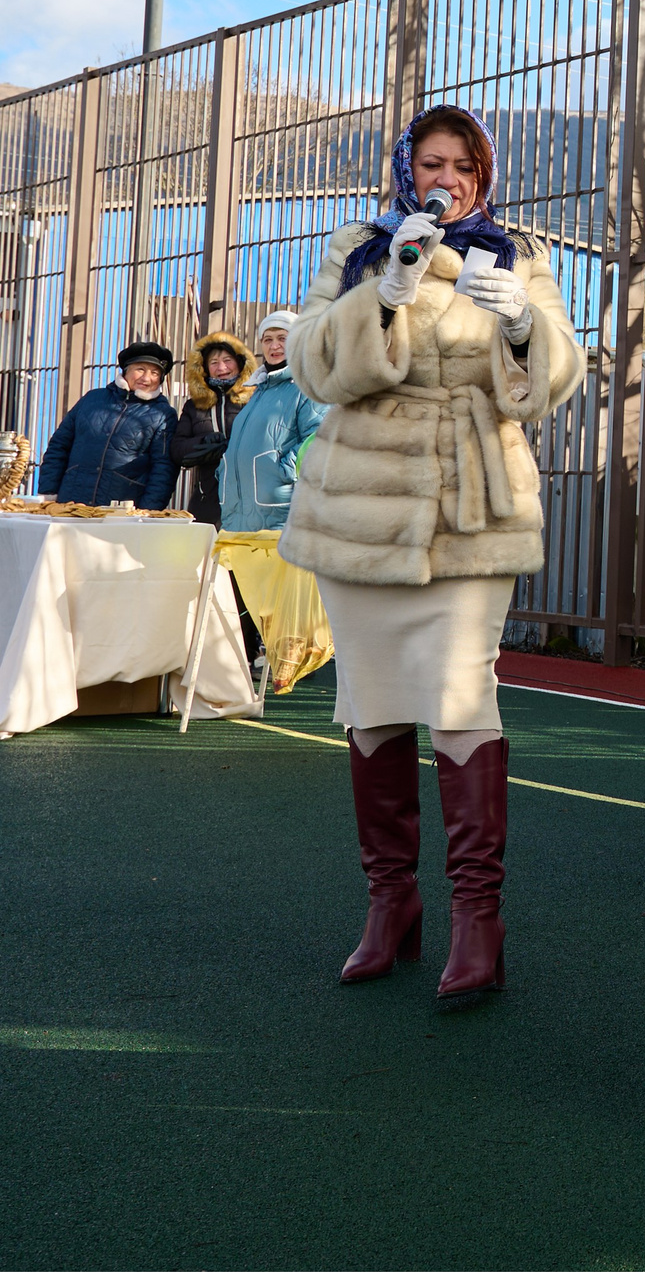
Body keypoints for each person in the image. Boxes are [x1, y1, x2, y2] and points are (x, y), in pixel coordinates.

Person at [279, 105, 583, 1004]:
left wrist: (524, 322)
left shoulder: (520, 254)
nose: (444, 178)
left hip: (470, 502)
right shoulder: (361, 246)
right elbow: (311, 366)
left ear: (484, 176)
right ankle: (392, 907)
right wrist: (383, 293)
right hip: (361, 508)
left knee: (460, 698)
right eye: (429, 163)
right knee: (370, 705)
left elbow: (550, 383)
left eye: (462, 165)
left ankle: (477, 920)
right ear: (407, 171)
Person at [214, 311, 333, 688]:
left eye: (282, 337)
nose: (274, 345)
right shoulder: (260, 390)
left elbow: (320, 436)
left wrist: (286, 468)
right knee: (254, 591)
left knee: (288, 592)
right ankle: (251, 660)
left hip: (280, 505)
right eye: (267, 339)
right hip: (242, 508)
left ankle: (290, 657)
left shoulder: (306, 385)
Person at [38, 341, 178, 508]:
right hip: (71, 502)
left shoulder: (163, 414)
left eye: (155, 373)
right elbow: (58, 447)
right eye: (140, 369)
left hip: (122, 511)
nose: (146, 378)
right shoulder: (92, 399)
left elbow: (163, 470)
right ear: (126, 371)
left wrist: (148, 512)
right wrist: (48, 493)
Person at [169, 331, 254, 528]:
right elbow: (177, 449)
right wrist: (203, 444)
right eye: (214, 362)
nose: (221, 367)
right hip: (207, 501)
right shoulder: (194, 406)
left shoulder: (255, 400)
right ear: (204, 368)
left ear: (241, 363)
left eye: (227, 360)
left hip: (249, 499)